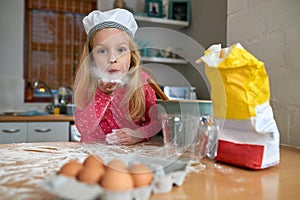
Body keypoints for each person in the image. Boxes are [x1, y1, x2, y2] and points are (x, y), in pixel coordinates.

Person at [73, 8, 161, 145]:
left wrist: (138, 135)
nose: (113, 58)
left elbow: (156, 122)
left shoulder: (141, 81)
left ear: (131, 55)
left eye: (121, 50)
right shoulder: (89, 84)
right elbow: (83, 128)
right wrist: (102, 94)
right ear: (91, 59)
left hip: (130, 154)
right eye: (102, 51)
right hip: (92, 153)